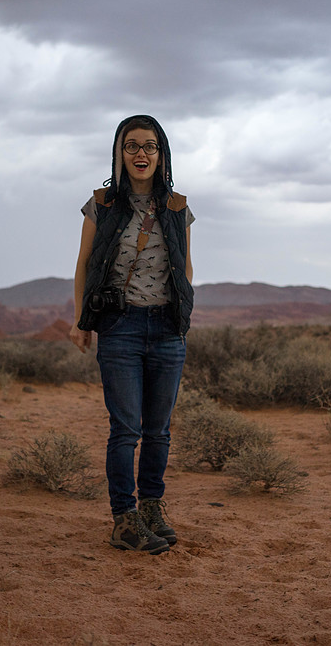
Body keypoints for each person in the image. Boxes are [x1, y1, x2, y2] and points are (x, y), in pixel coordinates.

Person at [69, 115, 194, 555]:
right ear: (119, 153)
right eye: (132, 145)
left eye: (150, 146)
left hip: (166, 328)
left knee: (158, 430)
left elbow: (185, 267)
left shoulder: (177, 206)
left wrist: (182, 317)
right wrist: (82, 319)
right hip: (119, 328)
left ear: (162, 155)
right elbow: (84, 264)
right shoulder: (101, 203)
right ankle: (124, 520)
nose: (141, 154)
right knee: (125, 430)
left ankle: (152, 509)